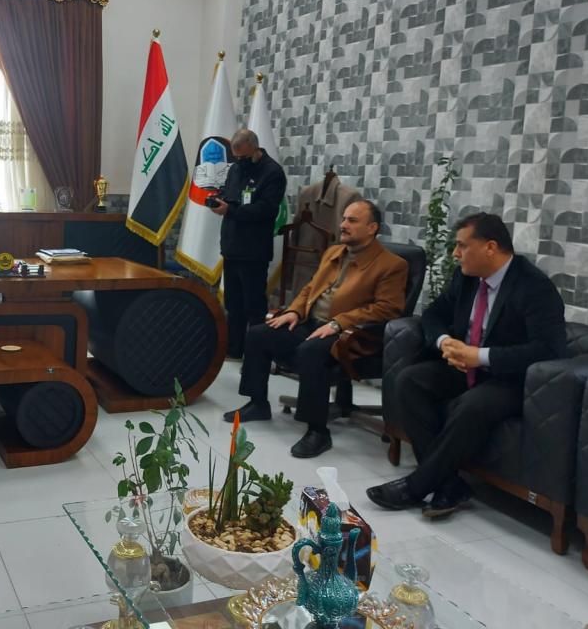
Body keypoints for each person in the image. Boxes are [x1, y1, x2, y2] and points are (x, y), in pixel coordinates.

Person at [366, 212, 566, 519]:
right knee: (409, 381)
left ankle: (416, 486)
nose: (455, 254)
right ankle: (449, 485)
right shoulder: (467, 277)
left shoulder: (534, 286)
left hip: (510, 378)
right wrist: (445, 341)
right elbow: (434, 314)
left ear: (490, 247)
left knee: (472, 405)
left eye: (462, 245)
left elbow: (548, 349)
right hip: (464, 367)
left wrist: (481, 356)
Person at [223, 200, 407, 459]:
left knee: (310, 351)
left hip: (349, 335)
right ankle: (258, 403)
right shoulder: (334, 252)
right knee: (259, 334)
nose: (343, 225)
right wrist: (294, 311)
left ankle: (317, 431)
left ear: (372, 228)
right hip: (311, 323)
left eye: (352, 220)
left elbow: (388, 309)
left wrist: (338, 323)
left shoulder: (392, 264)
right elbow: (311, 287)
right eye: (344, 218)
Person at [209, 129, 287, 359]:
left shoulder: (272, 172)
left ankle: (256, 354)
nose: (239, 161)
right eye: (236, 157)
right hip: (232, 246)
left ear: (255, 148)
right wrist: (218, 201)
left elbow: (267, 209)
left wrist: (230, 211)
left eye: (243, 156)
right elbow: (231, 195)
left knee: (254, 305)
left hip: (254, 250)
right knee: (233, 304)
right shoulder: (235, 169)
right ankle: (234, 349)